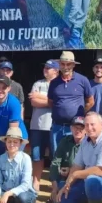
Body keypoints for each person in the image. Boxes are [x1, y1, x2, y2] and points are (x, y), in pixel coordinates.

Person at [47, 51, 94, 154]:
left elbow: (90, 101)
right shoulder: (54, 83)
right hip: (57, 127)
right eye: (63, 64)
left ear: (73, 65)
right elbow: (50, 102)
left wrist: (80, 113)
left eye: (68, 64)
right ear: (59, 65)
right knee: (57, 157)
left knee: (76, 157)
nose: (65, 67)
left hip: (77, 127)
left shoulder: (82, 80)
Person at [28, 60, 58, 191]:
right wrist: (51, 101)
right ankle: (36, 183)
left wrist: (42, 97)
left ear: (56, 71)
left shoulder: (60, 84)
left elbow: (59, 102)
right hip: (37, 126)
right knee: (37, 156)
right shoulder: (37, 83)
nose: (45, 70)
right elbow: (33, 102)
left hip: (54, 126)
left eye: (49, 68)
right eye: (45, 67)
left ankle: (54, 186)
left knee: (55, 157)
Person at [48, 116, 85, 203]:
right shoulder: (64, 141)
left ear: (86, 130)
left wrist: (71, 170)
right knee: (59, 201)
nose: (78, 130)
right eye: (76, 127)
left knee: (66, 201)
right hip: (65, 179)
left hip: (82, 180)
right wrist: (54, 186)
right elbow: (56, 162)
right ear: (71, 128)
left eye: (81, 128)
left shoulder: (89, 143)